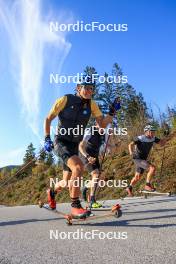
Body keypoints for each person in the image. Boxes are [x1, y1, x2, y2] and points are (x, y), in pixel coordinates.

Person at [44, 77, 120, 218]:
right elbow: (48, 118)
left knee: (66, 181)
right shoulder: (66, 99)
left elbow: (102, 125)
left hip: (73, 146)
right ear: (78, 88)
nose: (89, 91)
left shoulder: (92, 105)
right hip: (61, 141)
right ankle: (75, 206)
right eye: (86, 87)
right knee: (78, 167)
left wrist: (111, 112)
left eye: (91, 88)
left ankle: (52, 193)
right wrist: (47, 138)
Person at [79, 121, 120, 208]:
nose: (103, 128)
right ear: (96, 125)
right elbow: (81, 146)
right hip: (86, 154)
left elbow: (109, 146)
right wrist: (88, 156)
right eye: (101, 126)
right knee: (96, 174)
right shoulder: (90, 131)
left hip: (95, 156)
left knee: (100, 178)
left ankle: (85, 187)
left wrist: (113, 142)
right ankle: (92, 201)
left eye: (104, 126)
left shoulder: (105, 133)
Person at [126, 125, 165, 196]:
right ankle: (147, 185)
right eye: (151, 132)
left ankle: (129, 187)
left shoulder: (153, 138)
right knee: (152, 168)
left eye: (154, 132)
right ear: (146, 132)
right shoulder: (140, 138)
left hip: (143, 159)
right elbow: (130, 145)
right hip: (137, 158)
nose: (153, 133)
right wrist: (131, 153)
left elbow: (161, 143)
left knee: (137, 177)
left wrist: (165, 138)